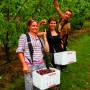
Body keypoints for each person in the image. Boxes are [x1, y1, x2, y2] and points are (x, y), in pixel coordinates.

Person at [16, 19, 49, 90]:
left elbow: (46, 50)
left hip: (41, 65)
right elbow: (19, 51)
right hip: (30, 65)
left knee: (40, 84)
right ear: (29, 27)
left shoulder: (39, 38)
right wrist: (24, 64)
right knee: (29, 85)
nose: (35, 27)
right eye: (33, 26)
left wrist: (45, 37)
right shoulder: (24, 36)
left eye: (37, 26)